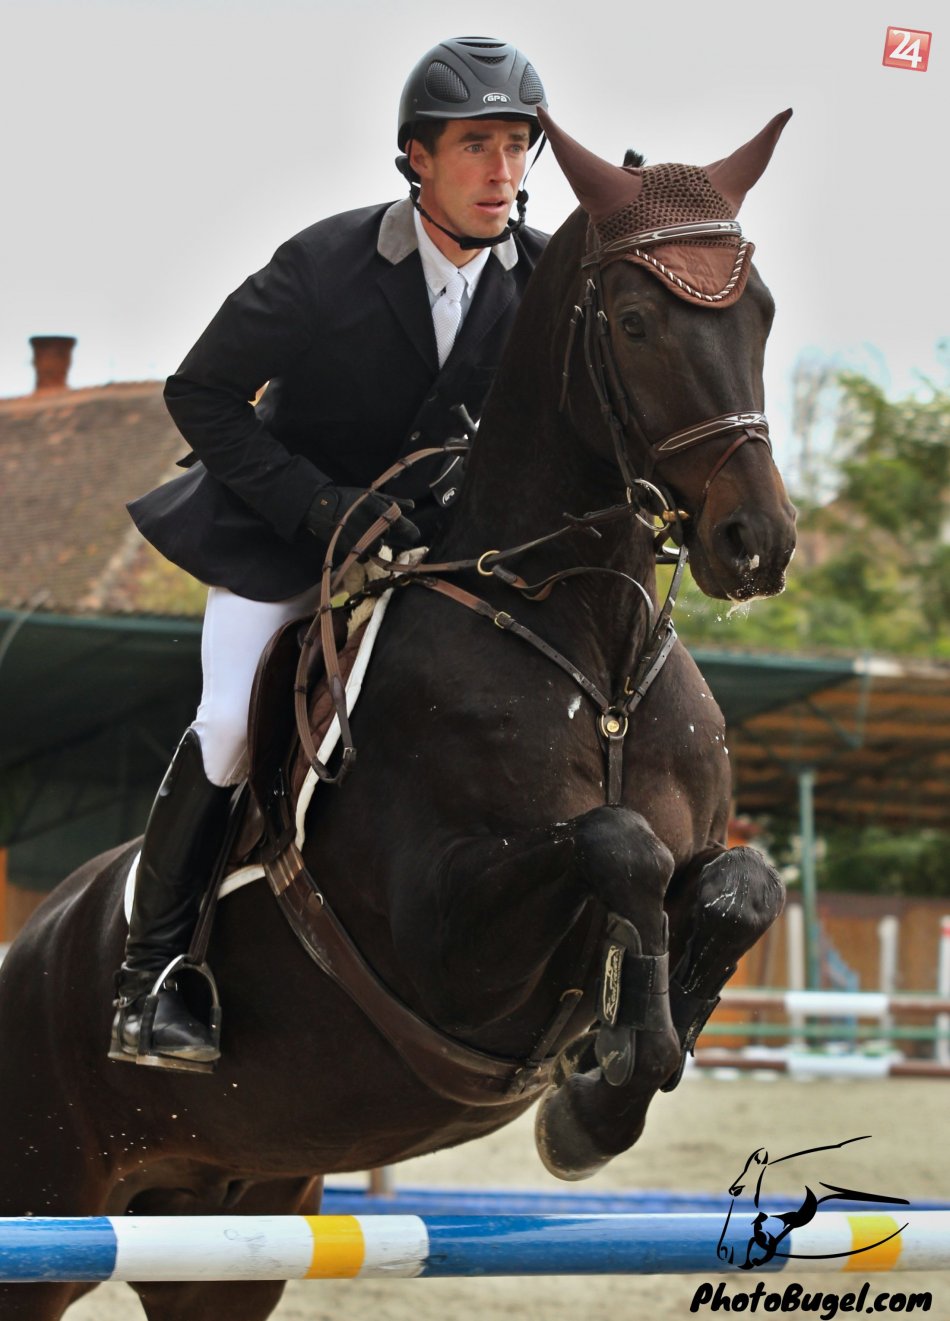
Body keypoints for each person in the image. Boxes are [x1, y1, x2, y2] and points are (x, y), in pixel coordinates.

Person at [110, 36, 550, 1070]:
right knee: (230, 725)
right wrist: (315, 504)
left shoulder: (539, 278)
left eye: (516, 145)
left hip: (436, 557)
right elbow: (200, 394)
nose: (501, 171)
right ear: (416, 157)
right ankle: (150, 978)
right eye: (476, 146)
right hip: (284, 542)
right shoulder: (326, 263)